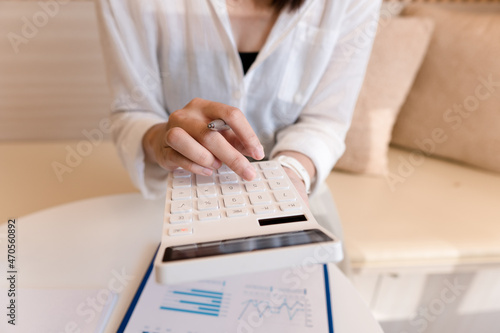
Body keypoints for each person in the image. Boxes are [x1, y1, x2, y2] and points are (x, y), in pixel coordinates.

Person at [95, 0, 380, 246]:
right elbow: (132, 111)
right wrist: (163, 141)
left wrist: (289, 176)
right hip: (176, 205)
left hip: (295, 195)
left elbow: (325, 120)